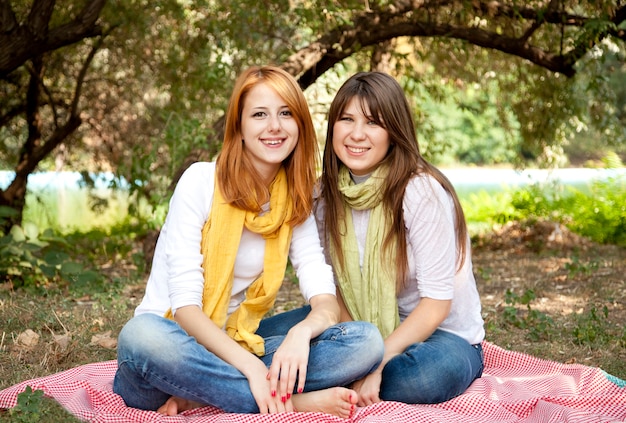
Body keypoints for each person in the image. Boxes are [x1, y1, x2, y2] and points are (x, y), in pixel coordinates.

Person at [113, 65, 383, 418]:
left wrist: (300, 335)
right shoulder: (200, 182)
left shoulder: (293, 201)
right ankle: (288, 402)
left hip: (235, 341)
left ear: (299, 124)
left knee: (364, 341)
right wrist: (254, 369)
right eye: (259, 114)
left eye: (285, 113)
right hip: (168, 357)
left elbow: (324, 299)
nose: (274, 126)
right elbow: (185, 308)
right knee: (141, 335)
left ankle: (209, 395)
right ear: (238, 127)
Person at [315, 71, 485, 405]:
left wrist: (377, 362)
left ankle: (309, 384)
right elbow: (335, 292)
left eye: (373, 122)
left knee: (421, 379)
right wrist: (356, 353)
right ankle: (257, 373)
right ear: (333, 127)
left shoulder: (419, 191)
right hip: (364, 330)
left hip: (442, 337)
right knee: (271, 336)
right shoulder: (324, 196)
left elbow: (437, 303)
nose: (357, 134)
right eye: (346, 119)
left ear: (394, 132)